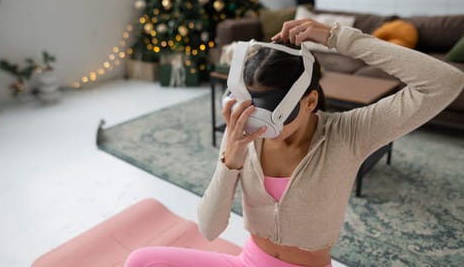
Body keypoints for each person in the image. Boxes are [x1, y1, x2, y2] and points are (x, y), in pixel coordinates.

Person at [125, 19, 464, 267]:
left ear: (310, 101)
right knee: (139, 261)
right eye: (250, 105)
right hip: (247, 262)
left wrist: (337, 38)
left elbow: (445, 82)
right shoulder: (245, 137)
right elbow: (210, 229)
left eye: (269, 110)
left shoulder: (350, 134)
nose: (257, 121)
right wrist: (230, 158)